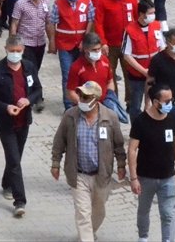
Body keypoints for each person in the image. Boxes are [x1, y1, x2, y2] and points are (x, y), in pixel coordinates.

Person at [50, 81, 128, 242]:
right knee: (83, 213)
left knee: (99, 212)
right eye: (81, 96)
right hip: (78, 174)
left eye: (86, 97)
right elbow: (59, 140)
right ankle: (86, 238)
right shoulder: (71, 115)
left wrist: (121, 164)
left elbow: (118, 144)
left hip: (101, 175)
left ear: (96, 98)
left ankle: (88, 234)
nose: (82, 100)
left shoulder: (110, 117)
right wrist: (55, 163)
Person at [0, 35, 43, 217]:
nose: (15, 54)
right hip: (5, 122)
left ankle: (7, 183)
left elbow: (38, 90)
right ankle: (20, 201)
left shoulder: (29, 68)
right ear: (6, 50)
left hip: (23, 120)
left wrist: (29, 100)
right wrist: (5, 107)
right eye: (12, 51)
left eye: (18, 51)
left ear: (23, 51)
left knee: (16, 156)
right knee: (15, 160)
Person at [129, 83, 175, 242]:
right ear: (155, 102)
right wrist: (133, 178)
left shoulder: (173, 120)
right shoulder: (141, 121)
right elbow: (132, 150)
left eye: (171, 100)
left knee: (168, 214)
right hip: (145, 177)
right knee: (143, 210)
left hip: (168, 177)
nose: (170, 104)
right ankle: (143, 237)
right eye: (166, 101)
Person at [49, 0, 96, 108]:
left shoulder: (87, 2)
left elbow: (90, 20)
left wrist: (85, 41)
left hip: (81, 46)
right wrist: (52, 41)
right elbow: (52, 23)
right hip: (64, 45)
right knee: (67, 75)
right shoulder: (58, 4)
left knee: (83, 74)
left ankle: (82, 101)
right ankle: (69, 105)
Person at [10, 0, 52, 112]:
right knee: (31, 69)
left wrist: (52, 40)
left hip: (40, 42)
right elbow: (14, 23)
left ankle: (28, 92)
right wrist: (12, 42)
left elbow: (48, 23)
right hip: (26, 43)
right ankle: (38, 98)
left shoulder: (46, 2)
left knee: (34, 70)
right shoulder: (21, 3)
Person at [121, 0, 163, 122]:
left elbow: (162, 47)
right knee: (135, 105)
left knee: (153, 102)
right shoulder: (130, 30)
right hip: (137, 77)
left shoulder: (156, 26)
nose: (152, 16)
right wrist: (144, 71)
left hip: (154, 73)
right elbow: (127, 55)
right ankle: (136, 130)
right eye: (150, 13)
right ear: (141, 14)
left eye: (153, 13)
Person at [97, 0, 139, 90]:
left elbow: (136, 18)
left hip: (128, 44)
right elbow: (98, 23)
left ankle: (130, 103)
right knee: (110, 74)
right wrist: (103, 42)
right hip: (110, 45)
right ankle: (113, 101)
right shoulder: (103, 0)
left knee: (130, 74)